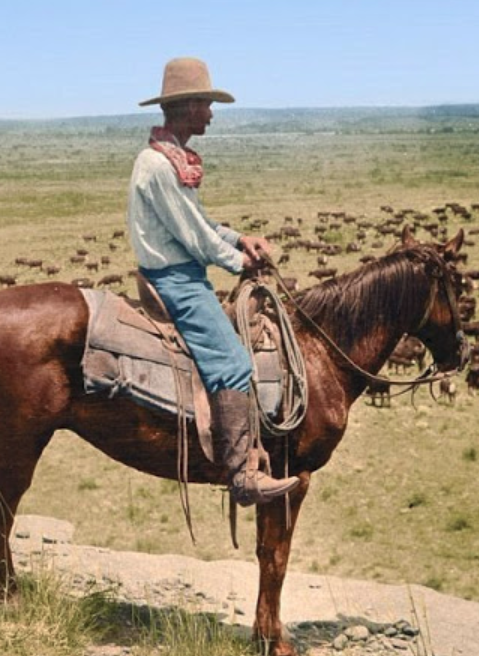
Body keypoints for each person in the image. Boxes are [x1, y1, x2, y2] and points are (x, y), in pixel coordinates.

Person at [126, 57, 299, 507]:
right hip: (175, 281)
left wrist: (242, 238)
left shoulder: (171, 159)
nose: (211, 113)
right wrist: (237, 260)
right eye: (205, 103)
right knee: (234, 364)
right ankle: (242, 475)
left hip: (184, 273)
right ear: (185, 107)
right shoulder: (158, 167)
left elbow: (201, 223)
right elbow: (195, 237)